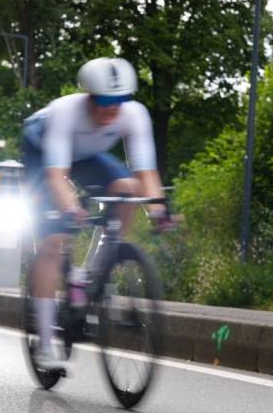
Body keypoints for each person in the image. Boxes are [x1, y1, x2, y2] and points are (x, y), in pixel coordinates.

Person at [21, 57, 169, 370]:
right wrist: (71, 209)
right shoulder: (65, 112)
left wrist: (158, 210)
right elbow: (56, 177)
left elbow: (147, 174)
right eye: (103, 101)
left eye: (118, 102)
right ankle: (46, 347)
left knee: (127, 190)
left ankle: (91, 270)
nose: (110, 110)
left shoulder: (134, 115)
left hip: (86, 155)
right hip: (43, 150)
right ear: (88, 96)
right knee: (54, 240)